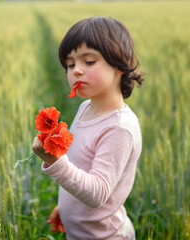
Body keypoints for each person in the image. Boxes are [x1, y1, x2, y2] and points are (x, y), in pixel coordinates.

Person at [32, 16, 144, 240]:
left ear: (119, 65)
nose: (76, 71)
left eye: (89, 61)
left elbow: (97, 193)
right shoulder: (85, 108)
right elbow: (79, 165)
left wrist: (54, 162)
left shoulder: (118, 128)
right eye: (71, 64)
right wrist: (67, 208)